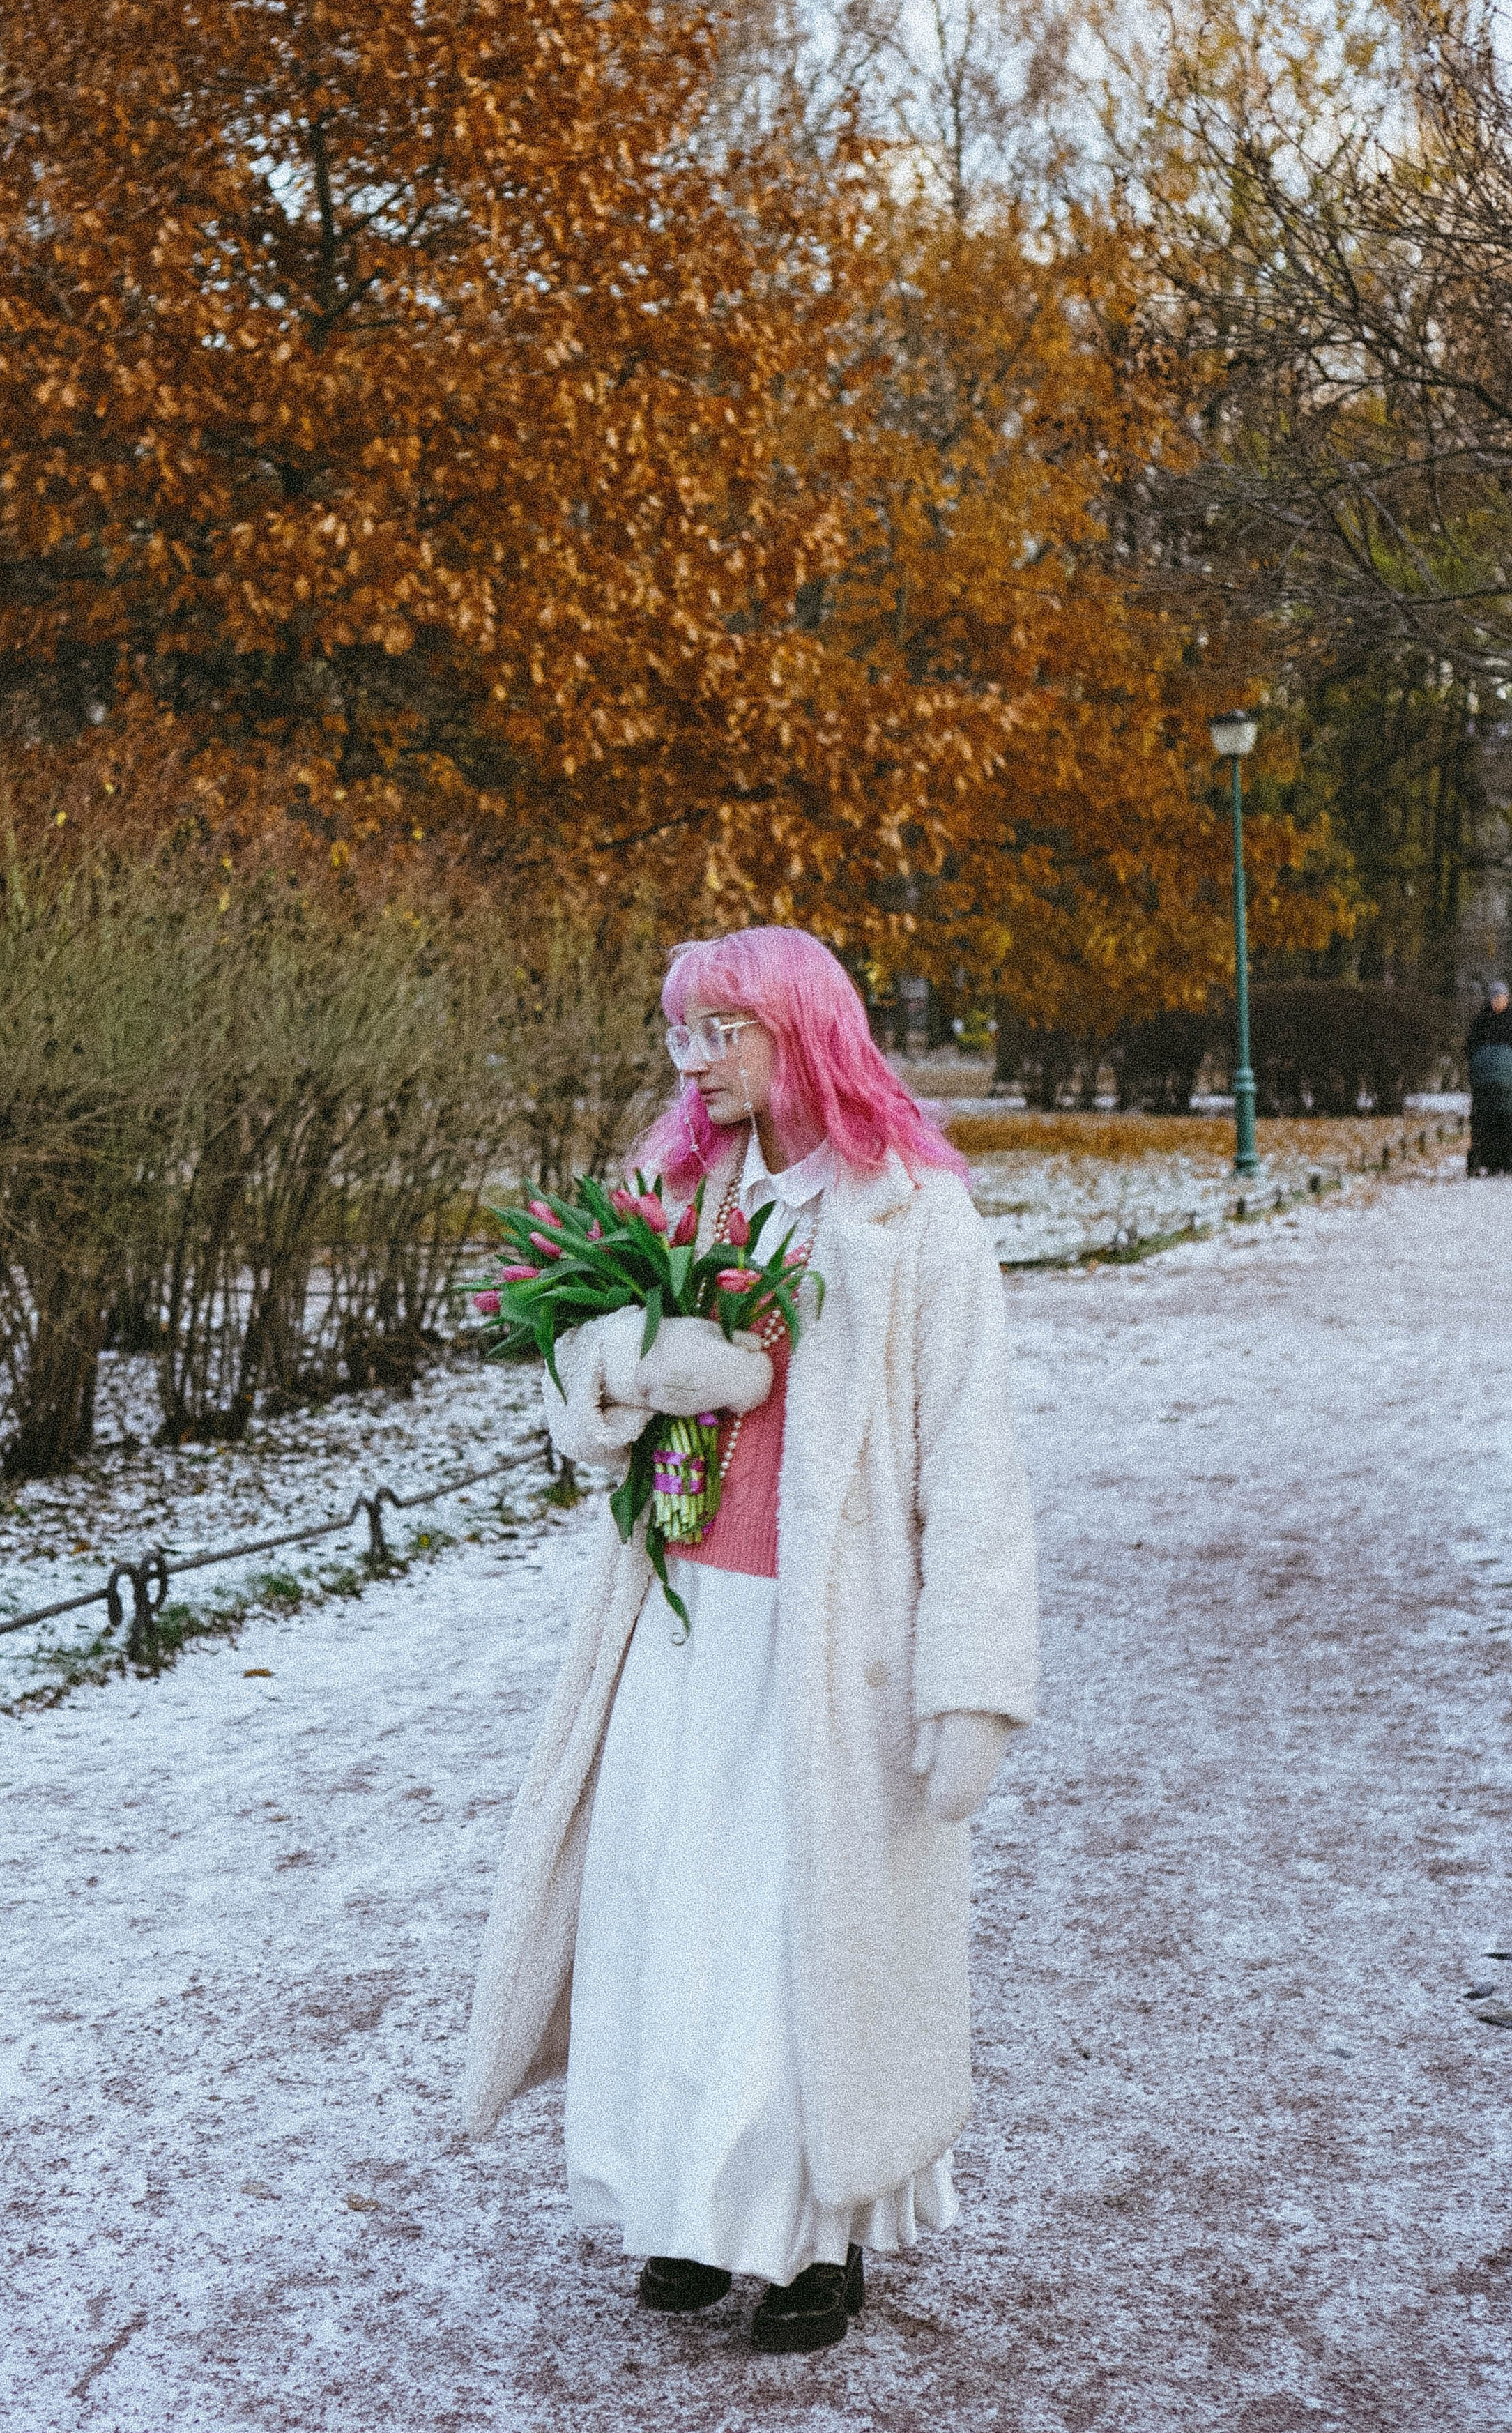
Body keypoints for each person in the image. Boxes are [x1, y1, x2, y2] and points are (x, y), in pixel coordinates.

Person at [461, 926, 1038, 2355]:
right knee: (667, 1915)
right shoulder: (676, 1197)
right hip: (675, 1621)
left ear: (804, 1034)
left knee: (799, 1936)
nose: (695, 1061)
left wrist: (972, 1685)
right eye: (682, 1032)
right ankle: (683, 2208)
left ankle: (811, 2241)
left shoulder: (916, 1219)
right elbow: (569, 1380)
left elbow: (973, 1465)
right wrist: (639, 1367)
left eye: (723, 1031)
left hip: (834, 1641)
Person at [1467, 981, 1512, 1176]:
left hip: (1505, 1081)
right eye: (1496, 998)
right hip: (1484, 1080)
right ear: (1491, 1000)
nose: (1499, 1002)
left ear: (1507, 1000)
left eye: (1502, 998)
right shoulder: (1481, 1020)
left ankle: (1505, 1158)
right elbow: (1471, 1045)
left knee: (1505, 1117)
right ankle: (1485, 1156)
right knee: (1483, 1118)